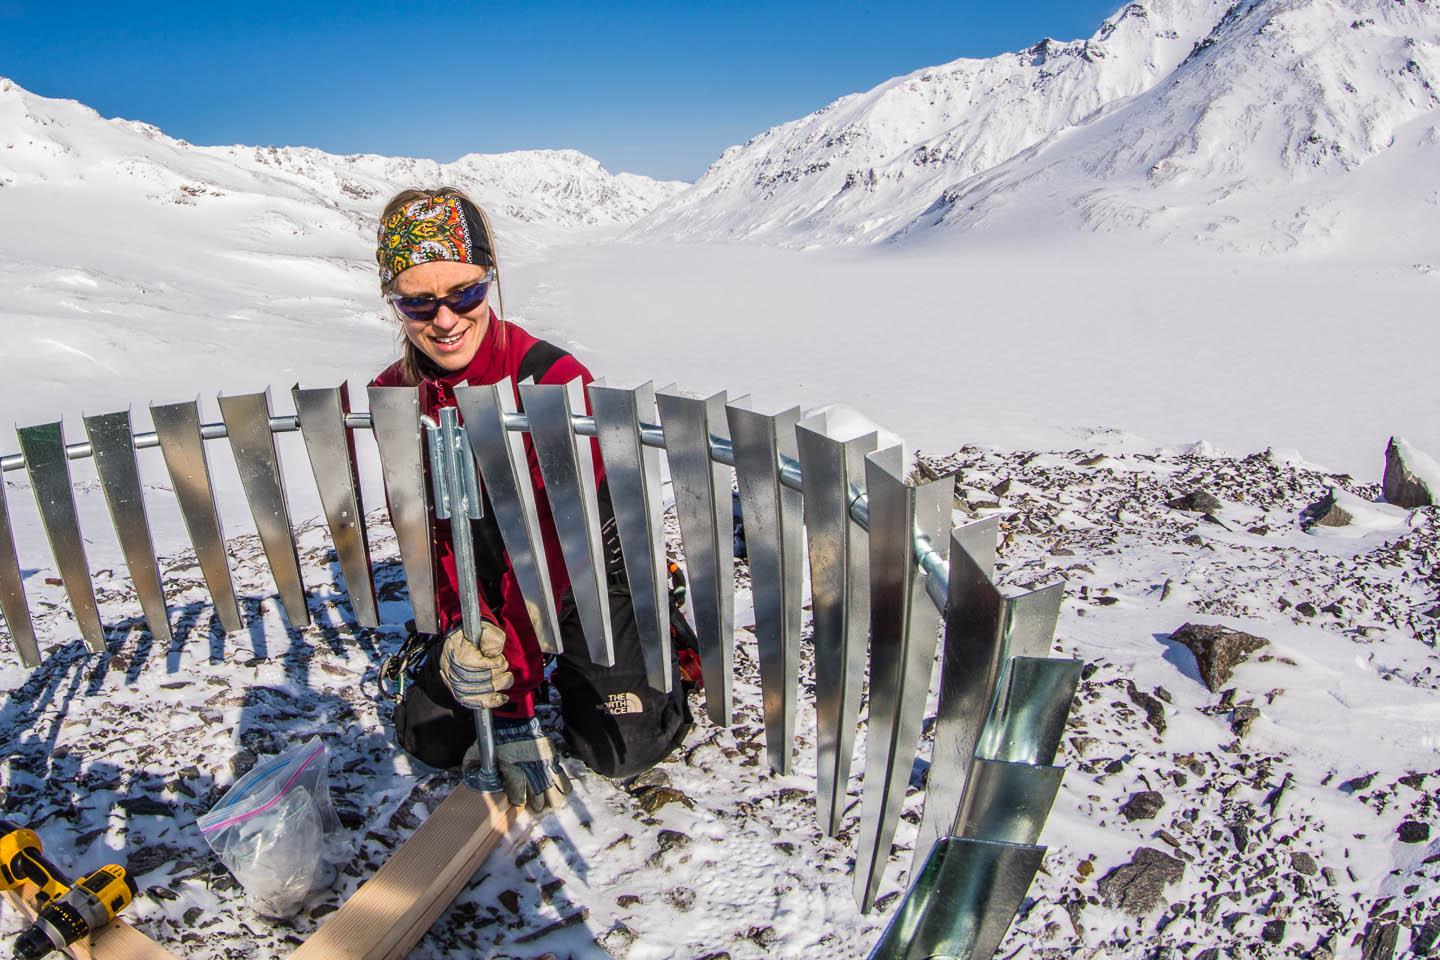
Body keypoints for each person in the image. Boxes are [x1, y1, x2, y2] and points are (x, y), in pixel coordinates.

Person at [368, 188, 699, 811]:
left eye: (464, 292)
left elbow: (546, 553)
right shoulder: (395, 396)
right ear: (395, 303)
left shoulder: (553, 382)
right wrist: (461, 630)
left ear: (489, 281)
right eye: (418, 301)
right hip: (485, 578)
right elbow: (428, 538)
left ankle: (659, 623)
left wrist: (516, 704)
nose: (444, 320)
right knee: (431, 736)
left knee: (619, 743)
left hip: (583, 571)